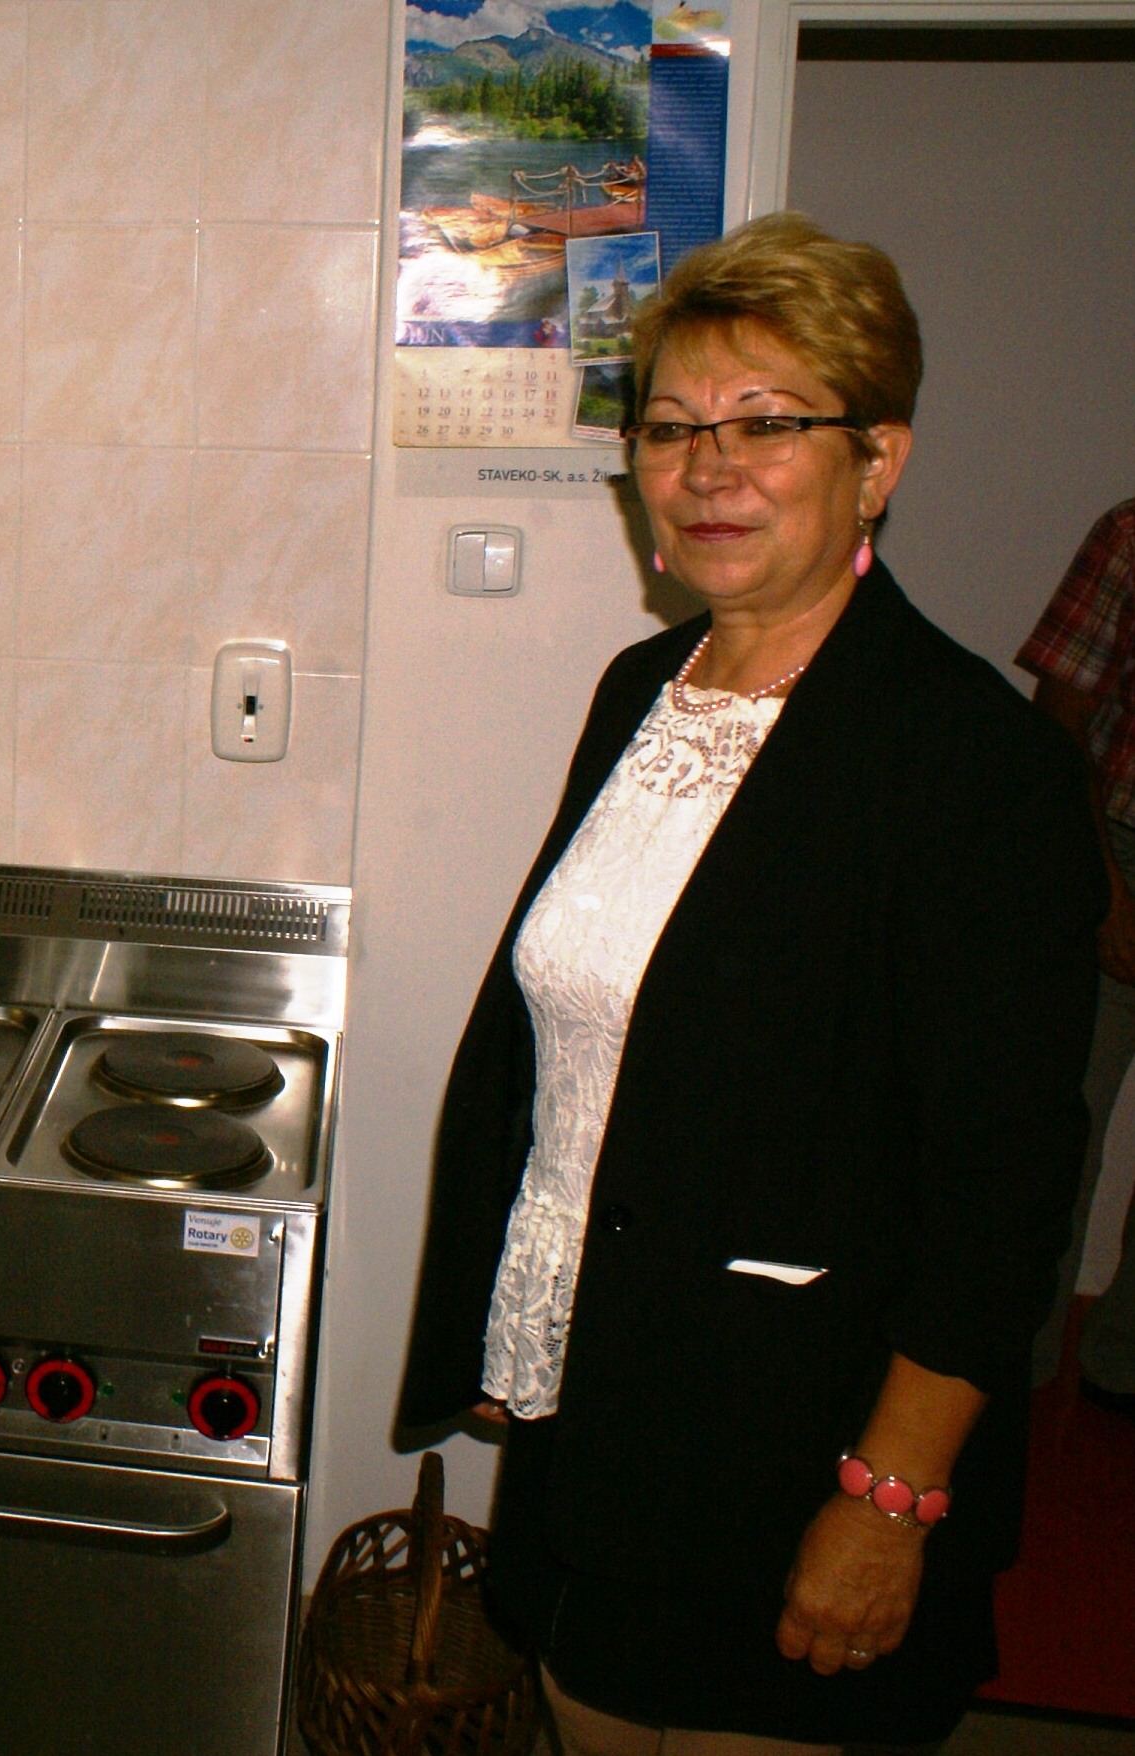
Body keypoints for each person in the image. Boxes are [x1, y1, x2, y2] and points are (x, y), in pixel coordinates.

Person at [399, 214, 1103, 1755]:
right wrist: (514, 1324)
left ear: (875, 460)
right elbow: (578, 1051)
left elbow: (998, 1188)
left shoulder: (971, 764)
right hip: (602, 1411)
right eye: (668, 428)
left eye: (764, 424)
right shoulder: (637, 694)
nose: (706, 468)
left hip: (800, 1443)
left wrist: (887, 1498)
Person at [1017, 496, 1135, 1416]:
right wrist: (1101, 887)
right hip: (1116, 851)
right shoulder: (1130, 534)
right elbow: (1058, 716)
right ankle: (1002, 1374)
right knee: (1058, 1131)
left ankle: (1120, 1365)